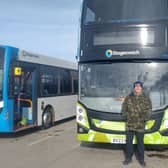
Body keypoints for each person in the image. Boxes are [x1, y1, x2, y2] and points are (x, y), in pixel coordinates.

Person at [122, 81, 152, 167]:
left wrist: (144, 119)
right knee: (128, 143)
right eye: (136, 86)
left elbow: (149, 110)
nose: (137, 88)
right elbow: (124, 109)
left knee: (140, 143)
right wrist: (126, 116)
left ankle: (141, 160)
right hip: (129, 125)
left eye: (139, 86)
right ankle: (128, 159)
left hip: (140, 125)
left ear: (141, 88)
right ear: (134, 87)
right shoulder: (128, 97)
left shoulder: (146, 98)